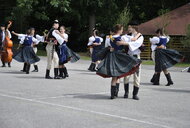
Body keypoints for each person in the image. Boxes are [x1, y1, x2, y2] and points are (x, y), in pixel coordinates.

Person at [96, 24, 141, 99]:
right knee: (118, 75)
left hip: (112, 55)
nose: (122, 31)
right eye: (122, 29)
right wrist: (139, 34)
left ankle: (113, 95)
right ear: (119, 30)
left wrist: (111, 48)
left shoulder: (110, 37)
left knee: (115, 76)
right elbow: (131, 41)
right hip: (119, 56)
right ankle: (115, 93)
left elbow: (109, 45)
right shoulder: (120, 38)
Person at [119, 22, 144, 100]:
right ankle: (126, 92)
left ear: (134, 28)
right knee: (126, 75)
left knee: (136, 77)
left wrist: (125, 43)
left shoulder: (140, 36)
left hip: (136, 57)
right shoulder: (127, 36)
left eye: (130, 27)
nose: (128, 29)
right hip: (128, 57)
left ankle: (135, 94)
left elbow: (136, 44)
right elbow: (122, 38)